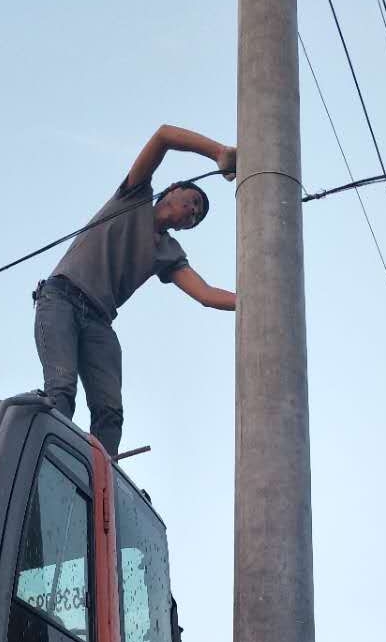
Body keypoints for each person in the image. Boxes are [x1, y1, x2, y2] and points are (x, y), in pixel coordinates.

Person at [33, 124, 237, 458]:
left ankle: (97, 481)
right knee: (61, 389)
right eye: (194, 201)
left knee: (110, 412)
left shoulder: (168, 253)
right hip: (61, 300)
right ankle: (44, 462)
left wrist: (257, 301)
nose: (193, 211)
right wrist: (219, 153)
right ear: (172, 190)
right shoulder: (134, 195)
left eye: (197, 216)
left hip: (99, 322)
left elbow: (206, 294)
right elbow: (164, 136)